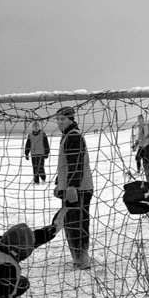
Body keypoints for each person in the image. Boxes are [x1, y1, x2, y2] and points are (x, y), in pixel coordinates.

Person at [53, 106, 93, 269]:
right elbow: (65, 164)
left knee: (76, 224)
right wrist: (58, 183)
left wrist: (71, 187)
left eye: (63, 119)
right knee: (73, 223)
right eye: (57, 119)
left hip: (78, 189)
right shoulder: (67, 136)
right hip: (74, 187)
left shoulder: (73, 137)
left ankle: (81, 259)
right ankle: (80, 258)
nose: (59, 122)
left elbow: (76, 164)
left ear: (71, 119)